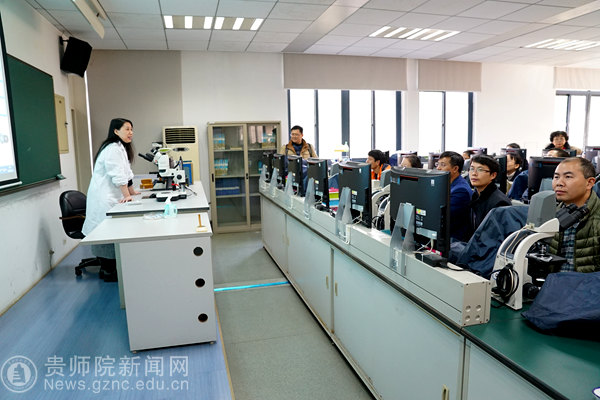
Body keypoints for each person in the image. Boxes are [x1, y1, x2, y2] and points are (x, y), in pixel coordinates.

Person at [82, 118, 139, 281]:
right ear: (116, 131)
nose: (130, 133)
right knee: (106, 232)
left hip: (112, 196)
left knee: (112, 231)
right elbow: (118, 175)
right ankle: (107, 270)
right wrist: (127, 196)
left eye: (132, 129)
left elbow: (127, 173)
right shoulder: (112, 149)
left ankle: (111, 267)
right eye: (127, 129)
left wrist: (132, 192)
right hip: (104, 198)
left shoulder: (120, 148)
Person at [549, 157, 600, 272]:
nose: (559, 183)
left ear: (589, 183)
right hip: (552, 281)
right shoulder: (550, 213)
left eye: (568, 177)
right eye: (556, 177)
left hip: (588, 283)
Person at [467, 154, 511, 240]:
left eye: (480, 170)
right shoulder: (475, 195)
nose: (474, 173)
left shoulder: (500, 203)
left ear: (493, 175)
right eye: (472, 169)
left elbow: (493, 238)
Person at [436, 151, 472, 242]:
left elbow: (443, 217)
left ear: (455, 168)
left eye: (443, 165)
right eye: (438, 164)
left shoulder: (461, 190)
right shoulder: (445, 184)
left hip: (453, 241)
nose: (438, 168)